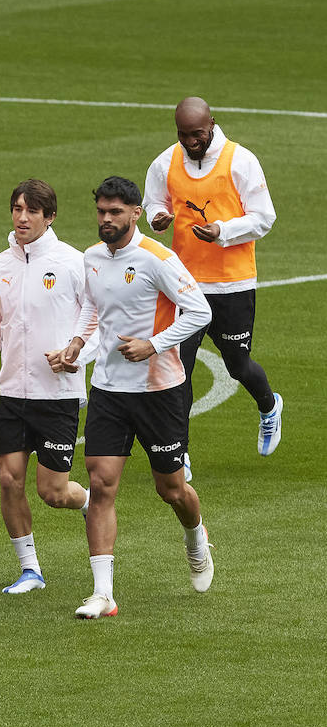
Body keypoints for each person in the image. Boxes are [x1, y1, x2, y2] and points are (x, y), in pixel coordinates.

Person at [54, 177, 214, 620]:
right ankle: (103, 593)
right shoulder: (90, 258)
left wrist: (155, 343)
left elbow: (201, 310)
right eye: (101, 212)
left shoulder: (158, 259)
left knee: (171, 488)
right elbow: (91, 307)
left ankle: (196, 537)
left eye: (115, 213)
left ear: (135, 213)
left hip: (159, 391)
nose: (106, 220)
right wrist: (76, 345)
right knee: (101, 484)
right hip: (108, 389)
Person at [0, 180, 91, 594]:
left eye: (31, 211)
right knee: (8, 480)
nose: (21, 217)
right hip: (9, 395)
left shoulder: (75, 263)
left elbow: (97, 324)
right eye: (16, 209)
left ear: (49, 216)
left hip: (57, 395)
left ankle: (88, 502)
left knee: (53, 492)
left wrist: (75, 355)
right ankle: (30, 569)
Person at [144, 96, 282, 462]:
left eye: (197, 134)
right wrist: (157, 217)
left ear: (212, 125)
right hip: (185, 285)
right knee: (180, 369)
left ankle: (269, 406)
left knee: (238, 365)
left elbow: (264, 217)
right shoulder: (166, 161)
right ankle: (179, 450)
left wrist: (222, 230)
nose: (191, 142)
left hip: (232, 284)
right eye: (183, 134)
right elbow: (152, 202)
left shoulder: (241, 160)